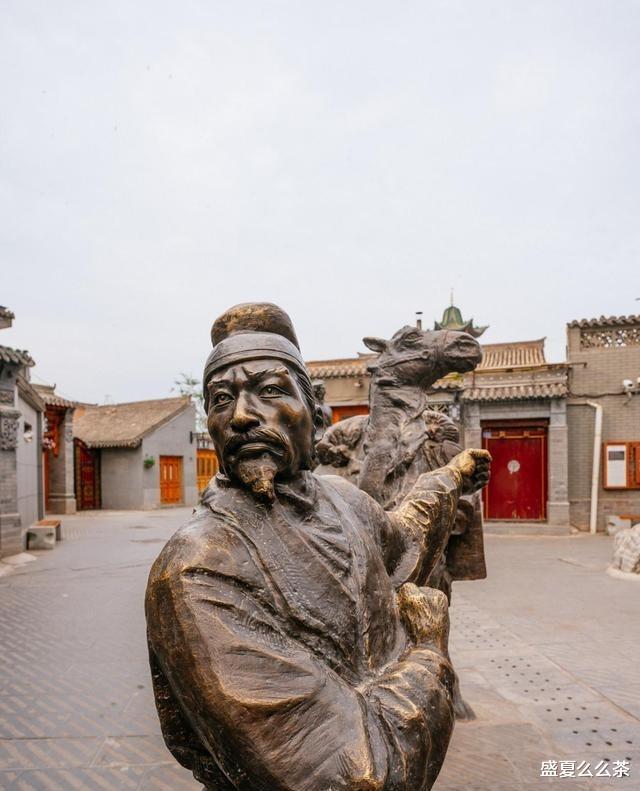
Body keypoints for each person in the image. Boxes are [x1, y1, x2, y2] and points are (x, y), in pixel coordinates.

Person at [145, 303, 491, 791]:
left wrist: (449, 478)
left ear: (313, 412)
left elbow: (401, 544)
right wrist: (428, 652)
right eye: (221, 399)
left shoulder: (341, 498)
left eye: (270, 391)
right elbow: (351, 774)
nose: (241, 416)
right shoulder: (198, 569)